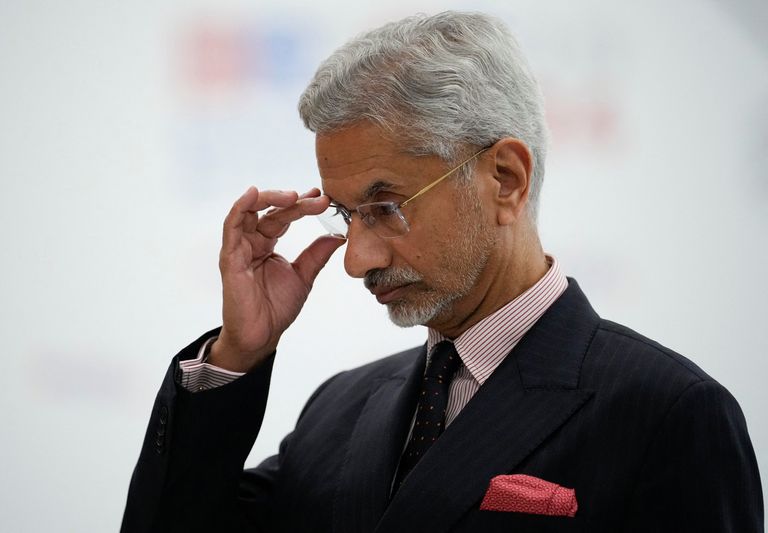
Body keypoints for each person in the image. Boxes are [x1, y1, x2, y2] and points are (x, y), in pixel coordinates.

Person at [121, 11, 763, 533]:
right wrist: (239, 353)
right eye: (346, 216)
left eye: (385, 208)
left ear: (505, 179)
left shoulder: (669, 413)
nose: (355, 260)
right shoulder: (338, 410)